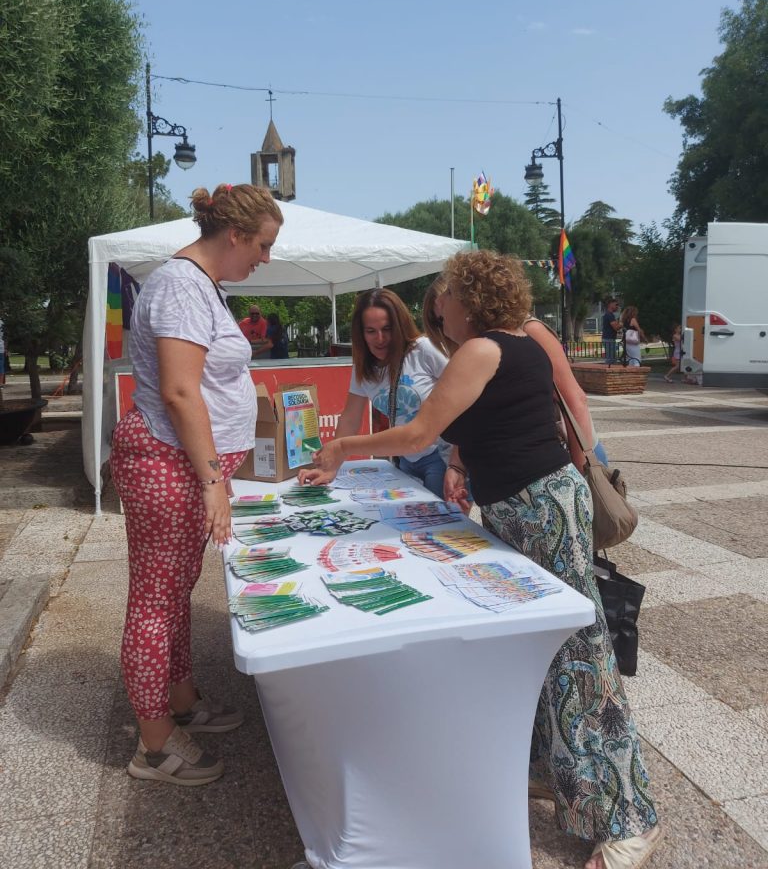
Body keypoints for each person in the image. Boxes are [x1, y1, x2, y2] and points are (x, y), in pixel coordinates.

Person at [311, 251, 661, 869]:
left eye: (443, 295)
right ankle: (558, 772)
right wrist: (461, 462)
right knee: (537, 647)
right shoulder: (500, 348)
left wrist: (343, 445)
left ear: (465, 300)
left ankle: (629, 816)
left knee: (579, 655)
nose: (435, 306)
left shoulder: (481, 350)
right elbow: (484, 426)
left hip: (539, 508)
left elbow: (420, 432)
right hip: (525, 506)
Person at [110, 182, 283, 787]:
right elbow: (182, 392)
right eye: (262, 245)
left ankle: (181, 703)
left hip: (178, 461)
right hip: (169, 460)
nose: (265, 257)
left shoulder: (199, 285)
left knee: (174, 592)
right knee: (155, 603)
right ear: (233, 235)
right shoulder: (184, 285)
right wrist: (213, 480)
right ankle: (154, 748)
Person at [423, 275, 609, 470]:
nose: (444, 329)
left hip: (570, 456)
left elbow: (574, 400)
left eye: (443, 317)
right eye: (438, 322)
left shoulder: (528, 329)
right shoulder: (479, 346)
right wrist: (457, 466)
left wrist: (583, 471)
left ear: (467, 303)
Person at [299, 287, 448, 496]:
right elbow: (350, 418)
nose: (380, 338)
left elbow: (463, 393)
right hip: (403, 459)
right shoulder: (363, 367)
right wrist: (330, 466)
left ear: (400, 325)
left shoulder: (423, 349)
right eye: (371, 331)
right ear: (360, 334)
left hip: (441, 456)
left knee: (442, 525)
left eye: (387, 329)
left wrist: (460, 463)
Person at [602, 298, 621, 366]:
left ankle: (611, 373)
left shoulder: (610, 315)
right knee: (610, 359)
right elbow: (616, 327)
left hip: (610, 339)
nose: (617, 306)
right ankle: (608, 374)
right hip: (609, 339)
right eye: (616, 304)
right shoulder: (609, 315)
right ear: (610, 304)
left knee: (612, 359)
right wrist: (622, 323)